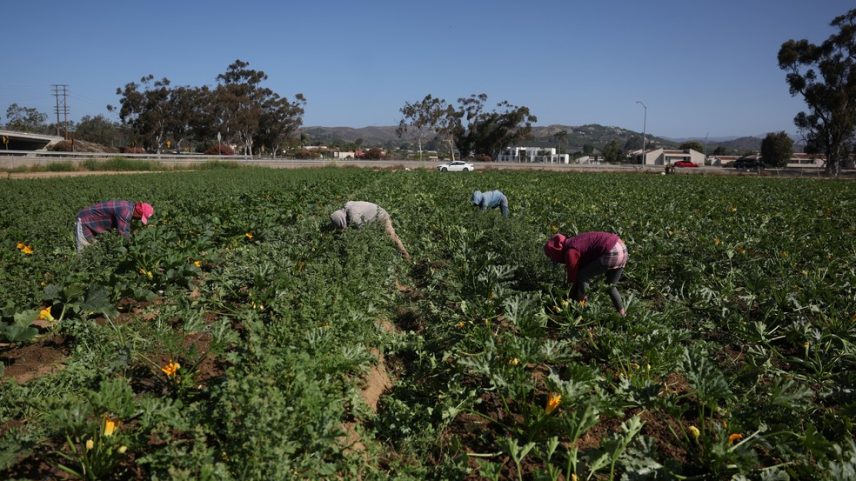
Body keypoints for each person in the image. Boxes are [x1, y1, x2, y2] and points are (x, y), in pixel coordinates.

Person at [544, 231, 628, 316]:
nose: (552, 259)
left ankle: (584, 309)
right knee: (610, 286)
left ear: (556, 251)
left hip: (611, 251)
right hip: (621, 248)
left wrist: (570, 295)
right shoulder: (574, 241)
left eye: (551, 256)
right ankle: (622, 314)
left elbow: (573, 279)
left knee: (583, 275)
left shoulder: (570, 251)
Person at [330, 201, 410, 260]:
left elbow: (361, 235)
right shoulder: (345, 207)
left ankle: (406, 256)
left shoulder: (354, 218)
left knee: (392, 237)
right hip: (371, 218)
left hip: (381, 216)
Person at [75, 200, 154, 253]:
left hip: (95, 223)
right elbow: (124, 234)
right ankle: (79, 270)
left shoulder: (129, 207)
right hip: (85, 220)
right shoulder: (125, 212)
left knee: (95, 250)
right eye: (140, 217)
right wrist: (133, 248)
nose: (139, 219)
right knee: (84, 252)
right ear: (138, 212)